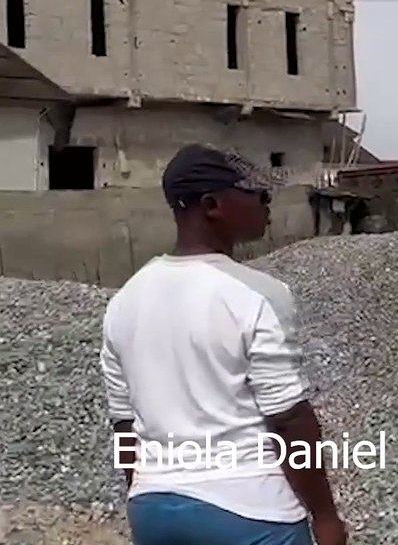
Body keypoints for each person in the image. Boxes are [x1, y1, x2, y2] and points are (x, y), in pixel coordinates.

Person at [100, 145, 346, 545]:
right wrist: (325, 516)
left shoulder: (124, 301)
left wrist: (145, 492)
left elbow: (124, 425)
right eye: (258, 194)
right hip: (250, 512)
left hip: (155, 509)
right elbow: (288, 418)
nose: (268, 204)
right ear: (212, 205)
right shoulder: (257, 294)